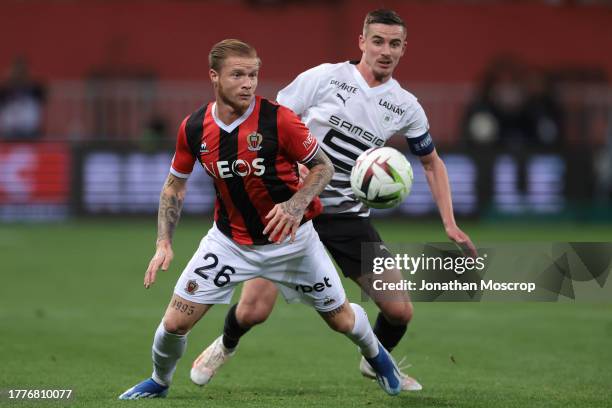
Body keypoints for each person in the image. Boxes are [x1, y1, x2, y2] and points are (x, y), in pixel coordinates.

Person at [191, 9, 477, 392]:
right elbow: (270, 122)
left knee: (399, 311)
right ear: (362, 42)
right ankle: (223, 346)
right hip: (294, 208)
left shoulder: (406, 106)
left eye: (394, 44)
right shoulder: (325, 78)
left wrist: (449, 222)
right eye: (377, 41)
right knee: (254, 310)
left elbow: (431, 162)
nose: (385, 51)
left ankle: (375, 362)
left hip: (347, 217)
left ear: (404, 48)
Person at [118, 39, 404, 400]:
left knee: (343, 321)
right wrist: (163, 242)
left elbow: (324, 167)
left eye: (253, 75)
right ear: (214, 77)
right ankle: (159, 381)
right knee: (173, 324)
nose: (248, 83)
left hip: (294, 242)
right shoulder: (193, 128)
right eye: (237, 75)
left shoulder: (279, 119)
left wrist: (296, 204)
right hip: (229, 243)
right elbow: (174, 186)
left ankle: (377, 356)